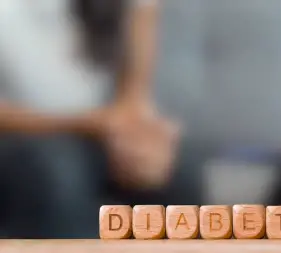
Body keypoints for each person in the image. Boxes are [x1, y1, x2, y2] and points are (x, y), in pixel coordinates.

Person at [0, 0, 179, 238]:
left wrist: (136, 133)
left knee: (178, 178)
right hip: (19, 134)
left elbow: (134, 92)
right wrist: (89, 122)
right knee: (57, 174)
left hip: (98, 131)